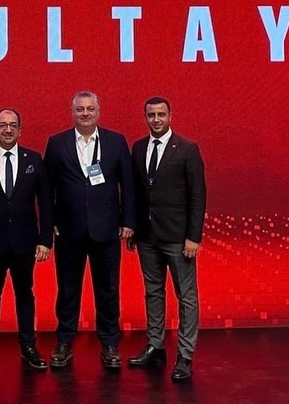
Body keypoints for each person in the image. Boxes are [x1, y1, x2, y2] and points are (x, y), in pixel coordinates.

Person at [44, 91, 135, 369]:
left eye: (90, 109)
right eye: (80, 109)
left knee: (108, 290)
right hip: (68, 231)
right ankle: (64, 342)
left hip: (106, 230)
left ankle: (110, 344)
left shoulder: (116, 141)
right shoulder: (57, 143)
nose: (85, 113)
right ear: (72, 112)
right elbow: (47, 188)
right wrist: (50, 222)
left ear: (98, 111)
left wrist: (128, 221)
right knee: (67, 290)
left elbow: (128, 185)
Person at [0, 108, 53, 371]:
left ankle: (28, 346)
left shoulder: (33, 159)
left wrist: (45, 239)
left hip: (25, 243)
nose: (8, 129)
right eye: (2, 125)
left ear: (20, 130)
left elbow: (46, 203)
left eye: (13, 125)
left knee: (25, 294)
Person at [127, 96, 206, 382]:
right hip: (147, 237)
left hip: (178, 238)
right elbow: (136, 193)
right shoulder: (138, 148)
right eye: (151, 115)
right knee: (153, 292)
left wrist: (193, 237)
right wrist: (133, 228)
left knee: (186, 297)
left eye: (161, 114)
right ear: (145, 117)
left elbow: (198, 196)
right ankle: (155, 346)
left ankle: (185, 355)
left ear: (171, 116)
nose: (156, 119)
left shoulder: (187, 149)